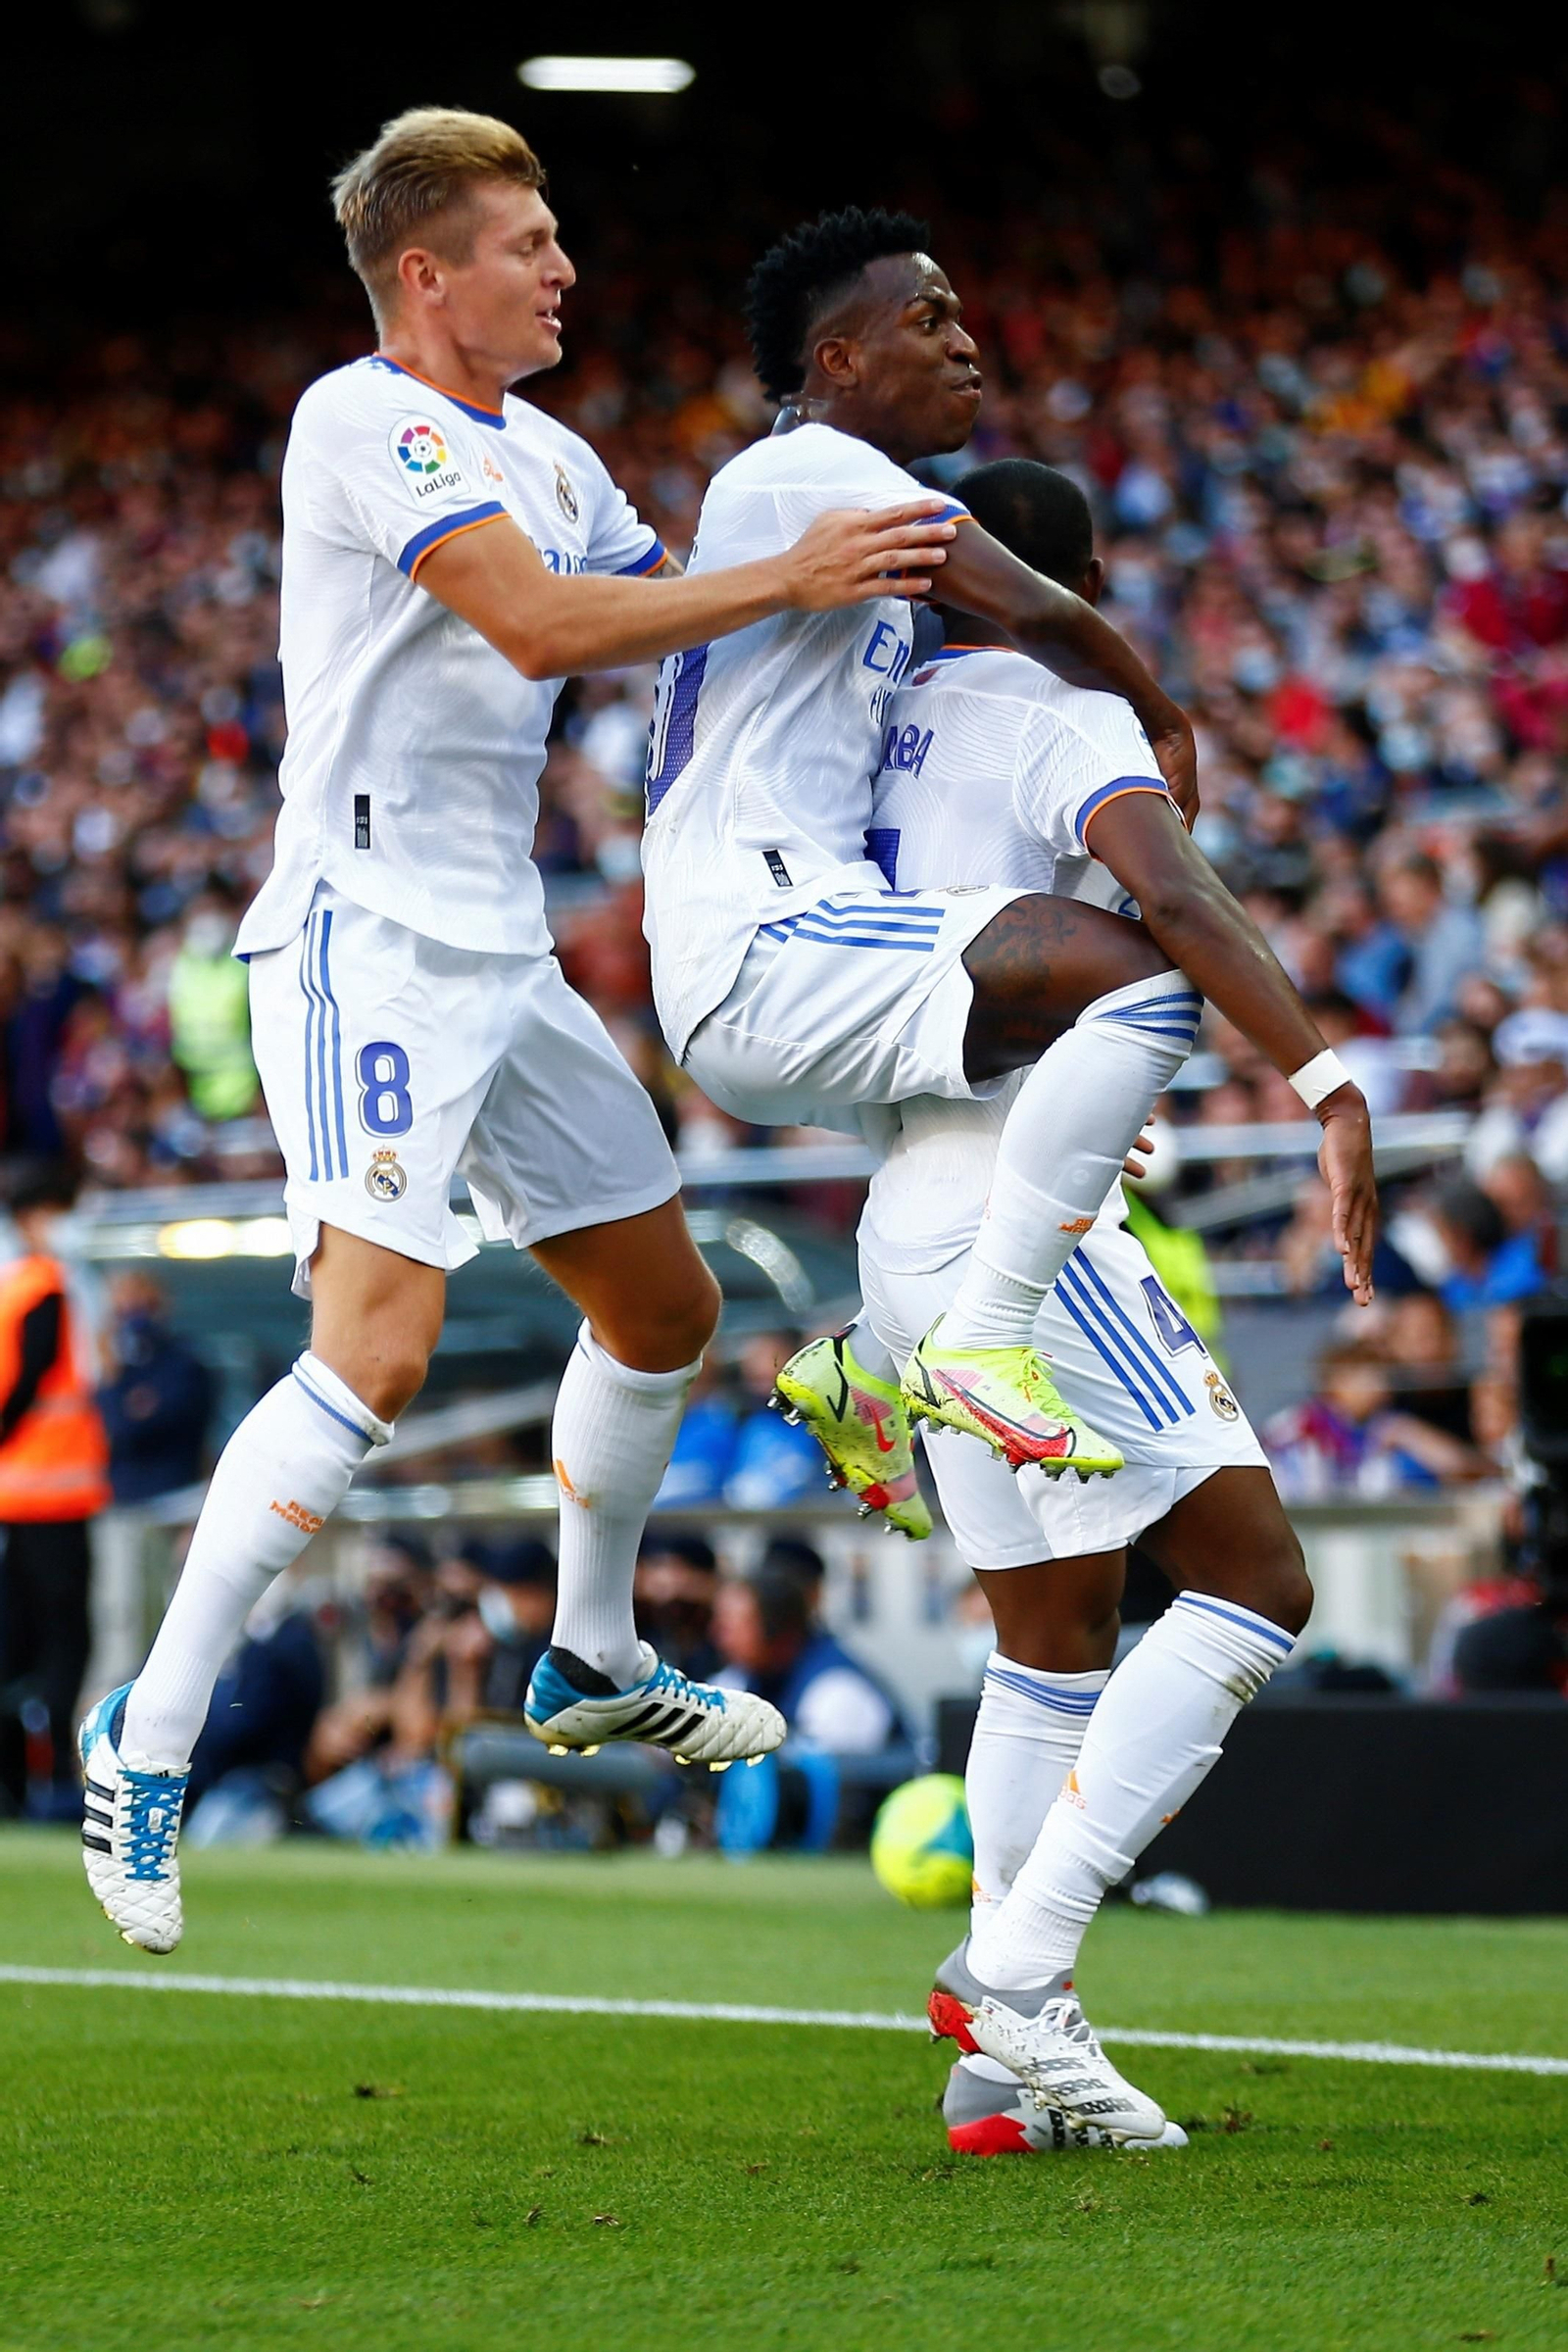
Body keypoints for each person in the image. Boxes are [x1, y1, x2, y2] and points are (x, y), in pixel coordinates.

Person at [78, 113, 957, 1953]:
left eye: (557, 237)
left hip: (504, 949)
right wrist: (793, 572)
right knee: (376, 1356)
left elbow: (663, 619)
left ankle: (591, 1654)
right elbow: (548, 626)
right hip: (365, 938)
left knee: (665, 1310)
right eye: (527, 243)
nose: (564, 268)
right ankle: (144, 1736)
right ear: (427, 275)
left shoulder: (553, 454)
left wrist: (836, 536)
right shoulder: (364, 419)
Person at [780, 461, 1377, 2149]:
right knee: (1256, 1586)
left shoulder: (855, 735)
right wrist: (1324, 1082)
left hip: (905, 1207)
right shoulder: (1061, 713)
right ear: (1075, 586)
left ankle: (993, 2082)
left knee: (1047, 1645)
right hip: (1018, 1226)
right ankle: (1016, 1974)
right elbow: (1177, 907)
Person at [641, 208, 1375, 1509]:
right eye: (929, 320)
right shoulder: (809, 470)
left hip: (800, 972)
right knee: (1145, 977)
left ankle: (870, 1366)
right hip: (765, 937)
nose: (966, 346)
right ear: (836, 360)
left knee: (1068, 1610)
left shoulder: (879, 601)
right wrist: (1161, 715)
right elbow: (1038, 606)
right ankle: (983, 1339)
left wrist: (1074, 1077)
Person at [0, 1165, 112, 1812]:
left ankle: (15, 1779)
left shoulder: (12, 1286)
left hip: (17, 1493)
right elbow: (36, 1378)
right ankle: (56, 1783)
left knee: (17, 1640)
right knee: (67, 1639)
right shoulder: (46, 1285)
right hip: (56, 1496)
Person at [711, 1567, 900, 1753]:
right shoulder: (739, 1679)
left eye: (729, 1628)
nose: (717, 1636)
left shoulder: (837, 1694)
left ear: (781, 1634)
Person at [97, 1274, 214, 1503]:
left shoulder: (182, 1363)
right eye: (122, 1307)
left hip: (174, 1495)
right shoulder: (116, 1365)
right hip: (122, 1495)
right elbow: (111, 1425)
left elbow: (134, 1426)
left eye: (141, 1303)